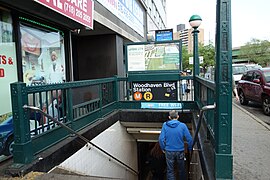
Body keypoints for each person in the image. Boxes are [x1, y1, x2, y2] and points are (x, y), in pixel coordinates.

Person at [159, 110, 193, 180]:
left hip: (169, 151)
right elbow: (189, 139)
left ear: (169, 117)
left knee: (170, 170)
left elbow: (161, 139)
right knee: (181, 169)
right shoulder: (182, 126)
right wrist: (190, 149)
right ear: (178, 116)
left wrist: (163, 148)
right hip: (180, 150)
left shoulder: (165, 125)